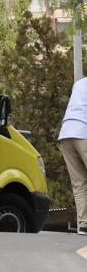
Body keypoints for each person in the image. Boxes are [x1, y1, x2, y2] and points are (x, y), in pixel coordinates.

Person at [58, 77, 87, 235]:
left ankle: (83, 225)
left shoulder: (79, 84)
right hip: (83, 133)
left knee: (79, 183)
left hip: (67, 133)